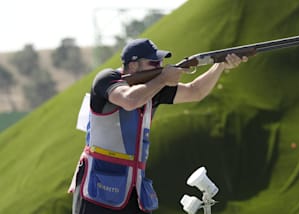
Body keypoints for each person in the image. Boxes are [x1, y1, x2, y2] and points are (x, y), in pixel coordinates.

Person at [68, 38, 248, 214]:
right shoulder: (107, 78)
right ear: (133, 66)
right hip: (98, 187)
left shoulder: (153, 87)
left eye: (161, 62)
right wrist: (163, 79)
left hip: (134, 189)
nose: (161, 66)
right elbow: (130, 100)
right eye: (154, 63)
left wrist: (220, 65)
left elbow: (196, 91)